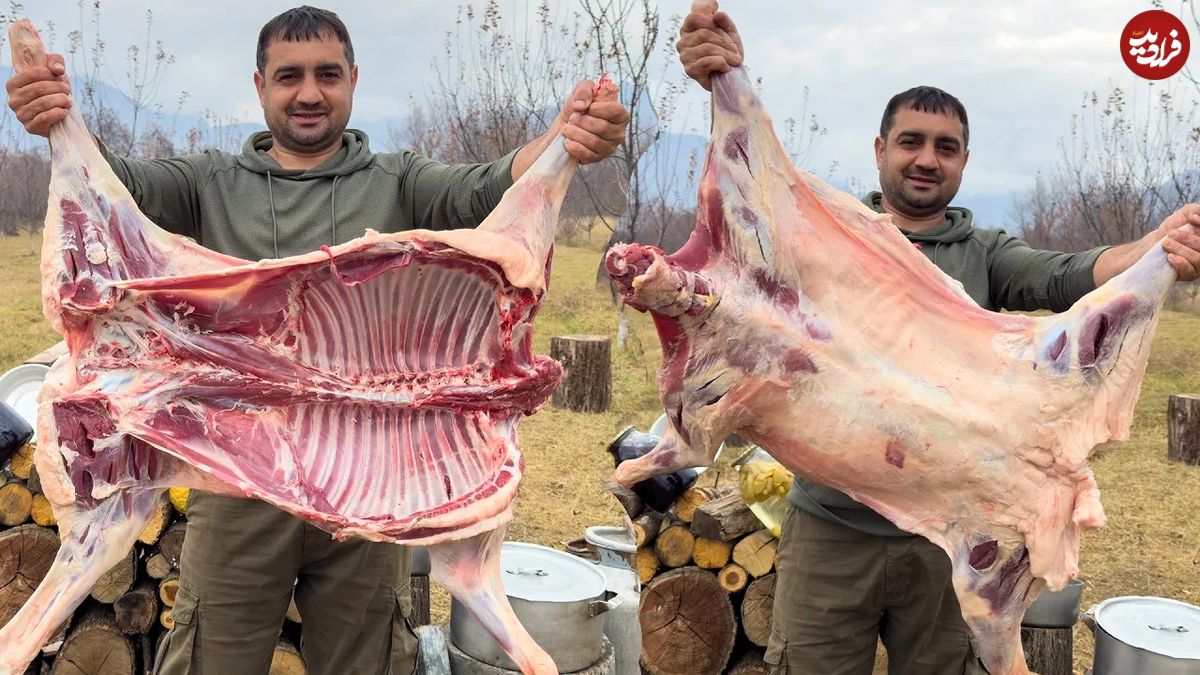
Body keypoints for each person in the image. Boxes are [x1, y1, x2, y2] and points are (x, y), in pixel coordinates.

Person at [6, 6, 629, 675]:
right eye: (290, 76)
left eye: (327, 74)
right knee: (211, 656)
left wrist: (565, 140)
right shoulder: (210, 181)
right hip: (239, 489)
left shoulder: (399, 180)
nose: (309, 92)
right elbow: (112, 182)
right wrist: (57, 123)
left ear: (353, 80)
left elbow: (494, 183)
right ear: (260, 85)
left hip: (374, 492)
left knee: (361, 662)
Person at [675, 4, 1200, 674]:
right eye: (911, 141)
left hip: (951, 545)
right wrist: (725, 78)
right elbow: (754, 193)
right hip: (832, 531)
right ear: (880, 149)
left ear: (964, 162)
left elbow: (1073, 275)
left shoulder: (986, 254)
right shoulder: (826, 240)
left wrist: (1158, 247)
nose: (926, 159)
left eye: (945, 148)